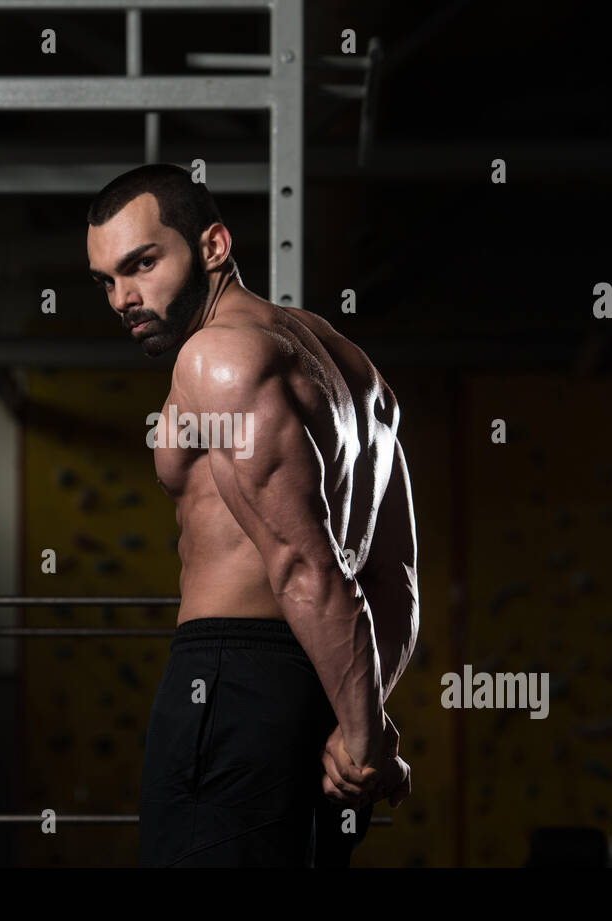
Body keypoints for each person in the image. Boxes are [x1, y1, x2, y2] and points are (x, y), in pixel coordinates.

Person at [86, 164, 419, 867]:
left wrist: (364, 738)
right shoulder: (358, 372)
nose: (124, 298)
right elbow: (396, 579)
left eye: (142, 264)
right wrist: (359, 724)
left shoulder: (218, 357)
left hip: (233, 686)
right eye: (107, 280)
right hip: (330, 688)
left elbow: (303, 564)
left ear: (213, 246)